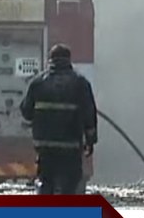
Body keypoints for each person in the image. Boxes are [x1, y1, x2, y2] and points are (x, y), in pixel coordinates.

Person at [20, 44, 97, 194]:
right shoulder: (80, 83)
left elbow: (26, 112)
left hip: (45, 146)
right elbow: (89, 115)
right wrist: (91, 140)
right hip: (71, 147)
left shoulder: (38, 83)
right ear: (69, 60)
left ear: (50, 60)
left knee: (46, 181)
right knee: (70, 184)